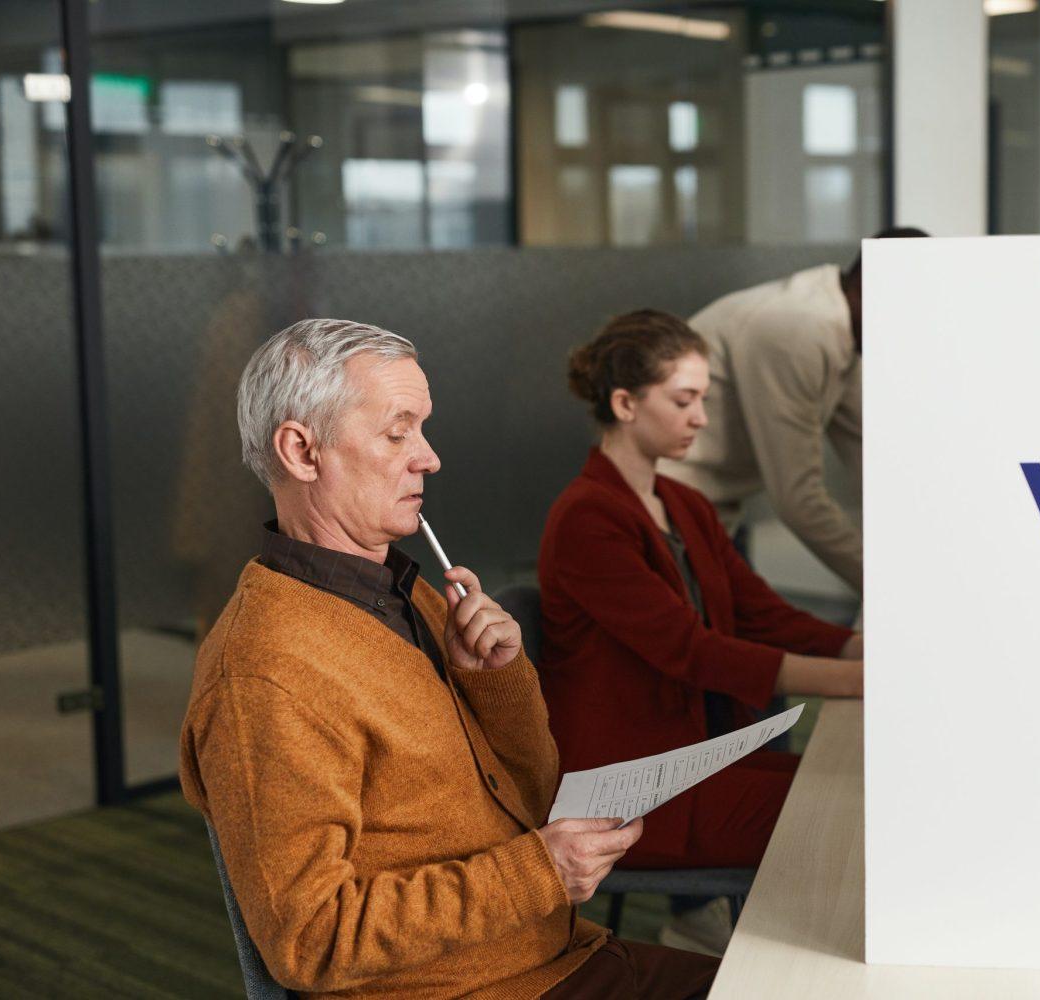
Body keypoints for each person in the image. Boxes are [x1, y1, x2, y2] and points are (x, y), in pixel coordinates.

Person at [179, 318, 716, 999]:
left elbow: (531, 797)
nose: (428, 457)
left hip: (558, 957)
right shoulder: (267, 672)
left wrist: (497, 685)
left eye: (422, 429)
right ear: (302, 451)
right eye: (398, 432)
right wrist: (539, 873)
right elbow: (310, 941)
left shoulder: (408, 596)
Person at [537, 310, 864, 951]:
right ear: (626, 403)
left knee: (851, 792)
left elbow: (762, 612)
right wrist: (857, 680)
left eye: (704, 400)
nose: (702, 418)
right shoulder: (586, 518)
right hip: (632, 787)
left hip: (699, 762)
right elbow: (692, 653)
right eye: (684, 400)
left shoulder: (683, 504)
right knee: (844, 813)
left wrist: (864, 649)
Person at [662, 227, 929, 595]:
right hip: (668, 515)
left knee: (760, 632)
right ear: (874, 290)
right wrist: (887, 587)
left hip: (712, 513)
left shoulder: (844, 329)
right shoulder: (796, 331)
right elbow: (797, 501)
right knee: (738, 641)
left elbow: (875, 455)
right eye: (913, 311)